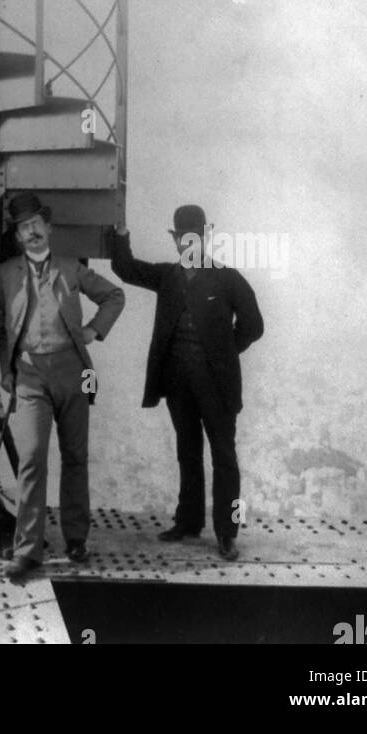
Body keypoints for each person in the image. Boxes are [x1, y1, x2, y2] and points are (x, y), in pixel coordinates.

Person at [110, 205, 264, 560]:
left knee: (224, 457)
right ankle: (189, 522)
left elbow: (254, 325)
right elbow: (126, 268)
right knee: (188, 452)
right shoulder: (167, 277)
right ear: (176, 240)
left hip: (217, 386)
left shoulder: (227, 279)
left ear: (204, 236)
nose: (189, 243)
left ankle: (226, 534)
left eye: (195, 237)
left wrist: (223, 353)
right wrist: (119, 236)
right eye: (183, 238)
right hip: (178, 383)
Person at [0, 192, 126, 582]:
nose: (31, 231)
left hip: (72, 371)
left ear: (48, 227)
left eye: (36, 223)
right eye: (23, 227)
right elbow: (0, 329)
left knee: (75, 456)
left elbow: (114, 296)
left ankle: (76, 540)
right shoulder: (5, 274)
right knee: (32, 458)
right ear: (17, 237)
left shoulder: (71, 268)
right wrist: (7, 369)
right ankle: (28, 551)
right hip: (30, 376)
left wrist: (93, 331)